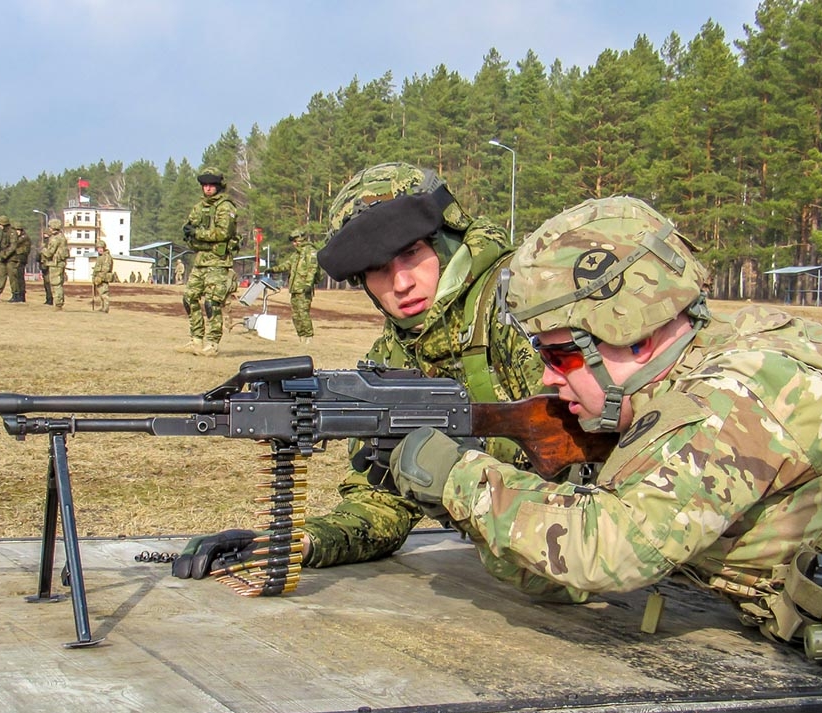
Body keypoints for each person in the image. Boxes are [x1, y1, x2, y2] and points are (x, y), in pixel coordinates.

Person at [380, 195, 822, 652]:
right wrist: (452, 505)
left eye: (561, 355)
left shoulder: (736, 394)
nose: (547, 376)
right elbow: (567, 582)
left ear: (636, 337)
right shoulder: (665, 395)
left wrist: (462, 480)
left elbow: (610, 550)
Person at [172, 162, 546, 584]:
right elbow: (381, 501)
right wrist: (296, 544)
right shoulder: (393, 357)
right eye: (378, 269)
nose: (400, 283)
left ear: (446, 241)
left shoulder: (519, 307)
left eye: (411, 255)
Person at [177, 166, 239, 356]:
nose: (208, 188)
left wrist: (197, 233)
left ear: (219, 186)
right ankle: (196, 339)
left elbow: (222, 233)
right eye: (205, 185)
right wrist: (191, 234)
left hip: (218, 262)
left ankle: (212, 343)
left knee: (212, 303)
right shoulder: (199, 207)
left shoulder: (225, 207)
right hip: (201, 260)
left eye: (212, 184)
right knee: (189, 298)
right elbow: (188, 229)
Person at [278, 228, 321, 343]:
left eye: (295, 241)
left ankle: (308, 337)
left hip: (303, 289)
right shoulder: (296, 254)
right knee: (296, 315)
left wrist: (308, 284)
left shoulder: (310, 251)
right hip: (295, 289)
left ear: (300, 240)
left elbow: (312, 269)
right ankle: (301, 336)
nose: (293, 244)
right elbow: (287, 265)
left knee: (303, 313)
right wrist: (273, 270)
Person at [42, 218, 69, 310]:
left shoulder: (55, 239)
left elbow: (49, 253)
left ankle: (58, 304)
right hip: (59, 263)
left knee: (56, 284)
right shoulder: (61, 237)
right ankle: (59, 303)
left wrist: (43, 248)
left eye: (50, 227)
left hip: (55, 263)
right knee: (58, 284)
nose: (49, 228)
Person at [92, 239, 115, 313]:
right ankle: (102, 307)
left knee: (104, 293)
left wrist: (100, 277)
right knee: (101, 293)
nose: (100, 250)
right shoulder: (100, 257)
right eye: (98, 248)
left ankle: (105, 308)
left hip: (103, 278)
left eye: (101, 248)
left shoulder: (106, 257)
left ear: (104, 248)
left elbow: (106, 268)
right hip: (99, 277)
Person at [12, 223, 32, 302]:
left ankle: (21, 295)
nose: (16, 232)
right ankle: (19, 294)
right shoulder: (22, 237)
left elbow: (15, 243)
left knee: (20, 278)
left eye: (17, 230)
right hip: (19, 258)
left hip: (21, 258)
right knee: (17, 277)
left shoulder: (24, 237)